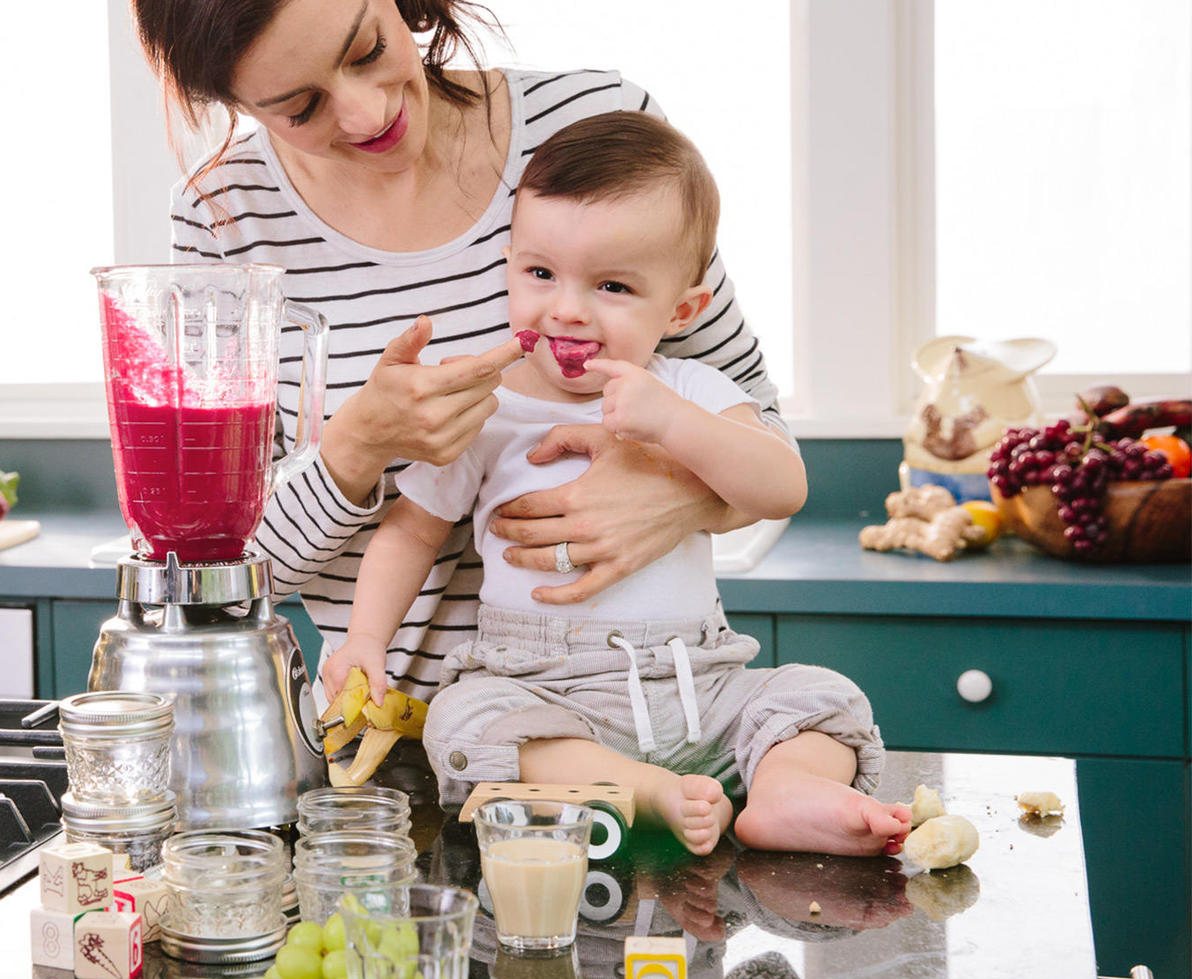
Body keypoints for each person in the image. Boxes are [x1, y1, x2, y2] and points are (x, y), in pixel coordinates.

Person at [134, 0, 787, 719]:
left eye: (366, 48)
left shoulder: (594, 123)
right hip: (387, 729)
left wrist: (673, 495)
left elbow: (767, 442)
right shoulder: (222, 217)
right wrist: (356, 446)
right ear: (234, 103)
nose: (364, 113)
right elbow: (216, 570)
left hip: (652, 704)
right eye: (300, 106)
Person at [321, 111, 908, 856]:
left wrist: (673, 423)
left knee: (820, 697)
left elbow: (782, 486)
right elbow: (411, 528)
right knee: (463, 720)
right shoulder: (487, 405)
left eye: (612, 285)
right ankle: (648, 792)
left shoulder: (693, 387)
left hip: (703, 684)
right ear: (509, 264)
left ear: (684, 308)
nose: (567, 307)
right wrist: (366, 640)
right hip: (546, 691)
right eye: (540, 273)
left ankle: (784, 789)